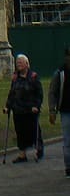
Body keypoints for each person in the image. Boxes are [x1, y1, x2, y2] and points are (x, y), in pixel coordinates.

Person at [5, 53, 44, 162]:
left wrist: (36, 106)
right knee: (20, 132)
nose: (19, 65)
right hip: (18, 109)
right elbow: (11, 93)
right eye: (17, 63)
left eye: (21, 63)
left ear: (27, 64)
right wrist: (7, 106)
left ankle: (38, 149)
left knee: (34, 130)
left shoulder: (33, 77)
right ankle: (22, 155)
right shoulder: (15, 78)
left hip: (30, 110)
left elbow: (39, 94)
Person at [48, 47, 70, 178]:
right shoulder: (59, 73)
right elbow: (52, 92)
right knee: (67, 140)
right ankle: (68, 167)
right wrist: (52, 110)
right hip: (66, 110)